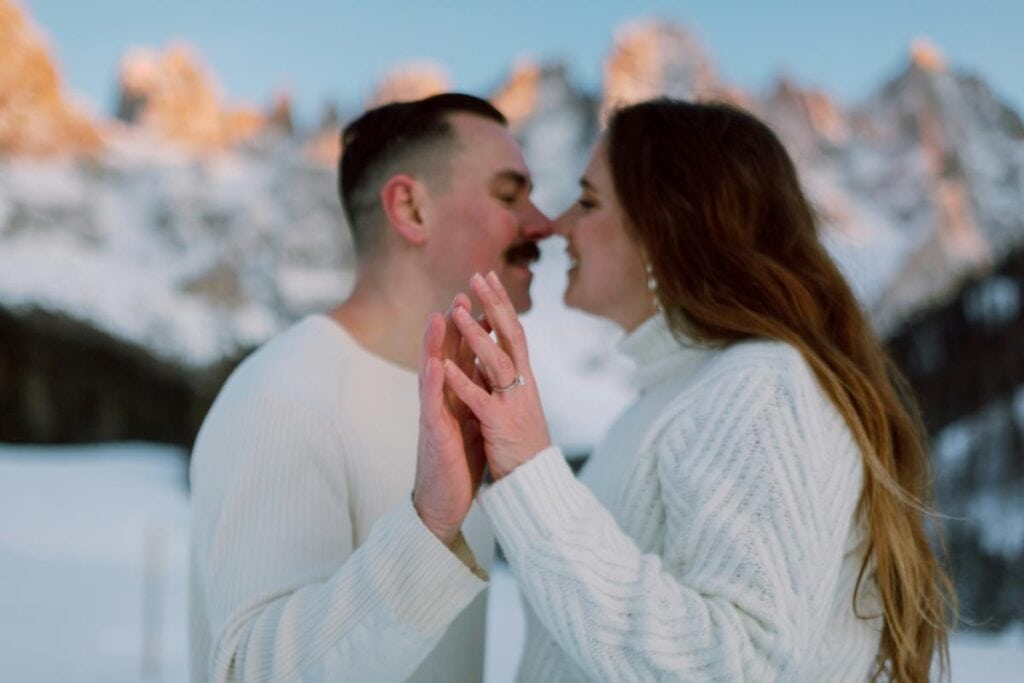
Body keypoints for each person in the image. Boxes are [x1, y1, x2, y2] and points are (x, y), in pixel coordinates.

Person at [423, 99, 955, 682]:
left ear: (663, 230)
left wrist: (532, 471)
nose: (558, 224)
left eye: (590, 201)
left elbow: (743, 665)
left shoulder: (760, 390)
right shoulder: (674, 396)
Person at [188, 93, 552, 682]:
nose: (544, 223)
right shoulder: (286, 397)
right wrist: (428, 527)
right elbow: (247, 670)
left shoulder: (456, 405)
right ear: (410, 207)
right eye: (510, 195)